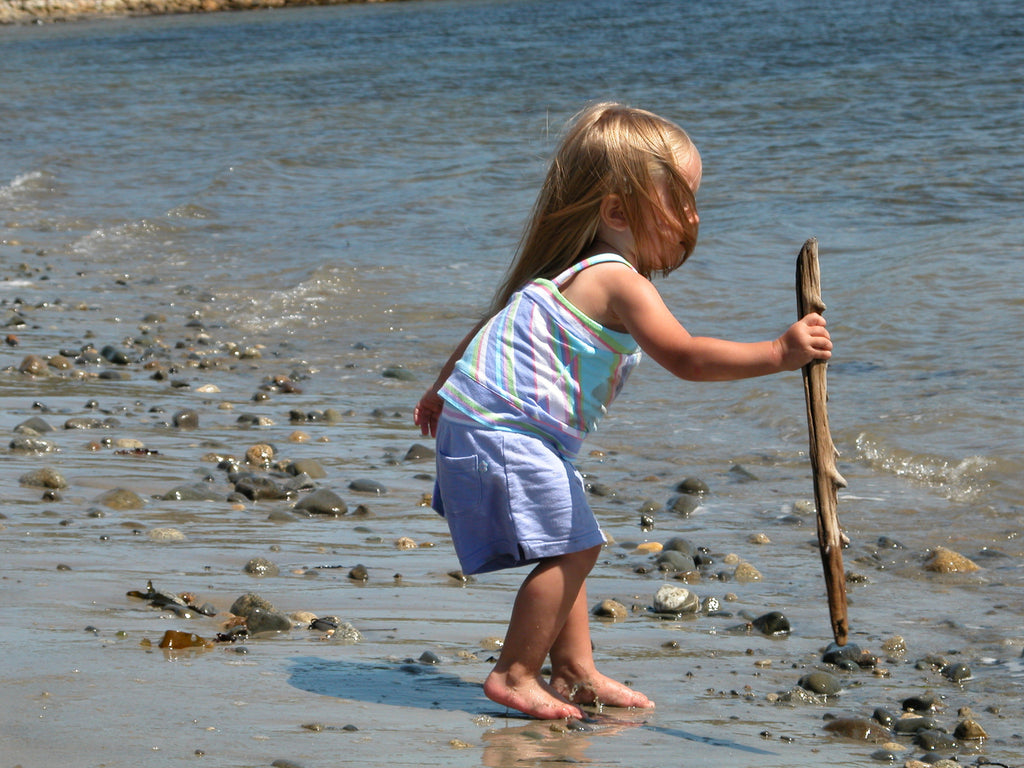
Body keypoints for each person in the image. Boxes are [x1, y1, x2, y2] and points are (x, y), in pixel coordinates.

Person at [414, 102, 832, 721]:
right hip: (504, 429)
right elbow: (686, 357)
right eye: (681, 200)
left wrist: (442, 388)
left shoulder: (563, 271)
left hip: (489, 423)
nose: (694, 216)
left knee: (572, 537)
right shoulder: (617, 279)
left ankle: (575, 670)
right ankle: (515, 673)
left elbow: (494, 323)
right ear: (615, 211)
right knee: (575, 548)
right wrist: (778, 351)